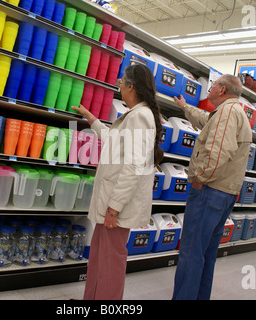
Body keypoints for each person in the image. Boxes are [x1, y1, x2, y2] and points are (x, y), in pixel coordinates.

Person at [72, 64, 164, 300]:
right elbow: (114, 141)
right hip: (111, 203)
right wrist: (91, 119)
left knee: (110, 262)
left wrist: (114, 207)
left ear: (131, 86)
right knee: (99, 258)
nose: (119, 85)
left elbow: (134, 166)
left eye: (122, 81)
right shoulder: (135, 114)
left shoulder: (141, 117)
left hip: (117, 206)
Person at [171, 74, 252, 300]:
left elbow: (217, 152)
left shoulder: (227, 113)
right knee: (205, 253)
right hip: (225, 193)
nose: (211, 87)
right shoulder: (235, 112)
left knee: (191, 253)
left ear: (222, 90)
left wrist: (200, 178)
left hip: (209, 191)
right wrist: (186, 107)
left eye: (214, 84)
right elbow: (208, 122)